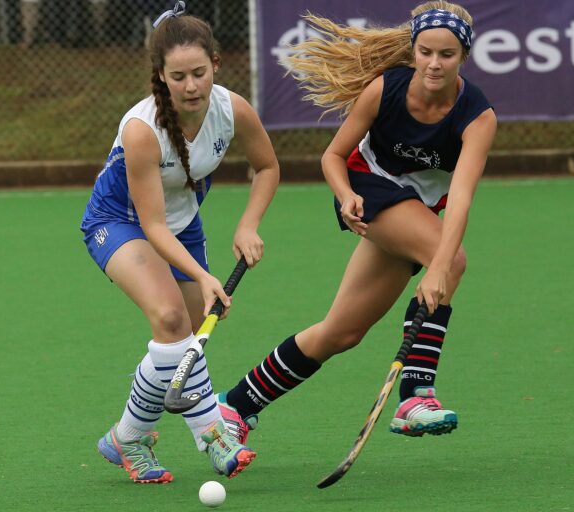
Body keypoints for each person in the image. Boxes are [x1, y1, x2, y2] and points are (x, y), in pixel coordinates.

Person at [215, 1, 497, 448]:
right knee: (451, 258)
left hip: (417, 207)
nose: (434, 63)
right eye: (425, 52)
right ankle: (414, 396)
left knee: (340, 332)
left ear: (464, 55)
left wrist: (439, 265)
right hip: (368, 189)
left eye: (446, 55)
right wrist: (346, 196)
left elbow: (460, 197)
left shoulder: (477, 115)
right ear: (413, 49)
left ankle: (235, 405)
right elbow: (332, 155)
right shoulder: (385, 89)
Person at [80, 1, 279, 483]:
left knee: (183, 338)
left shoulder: (233, 109)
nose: (191, 86)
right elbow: (152, 226)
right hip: (120, 221)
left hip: (183, 224)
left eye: (199, 73)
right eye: (178, 76)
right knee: (170, 319)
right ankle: (215, 434)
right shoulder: (142, 130)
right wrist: (206, 275)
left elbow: (268, 167)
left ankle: (128, 436)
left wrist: (247, 225)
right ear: (160, 75)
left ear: (215, 64)